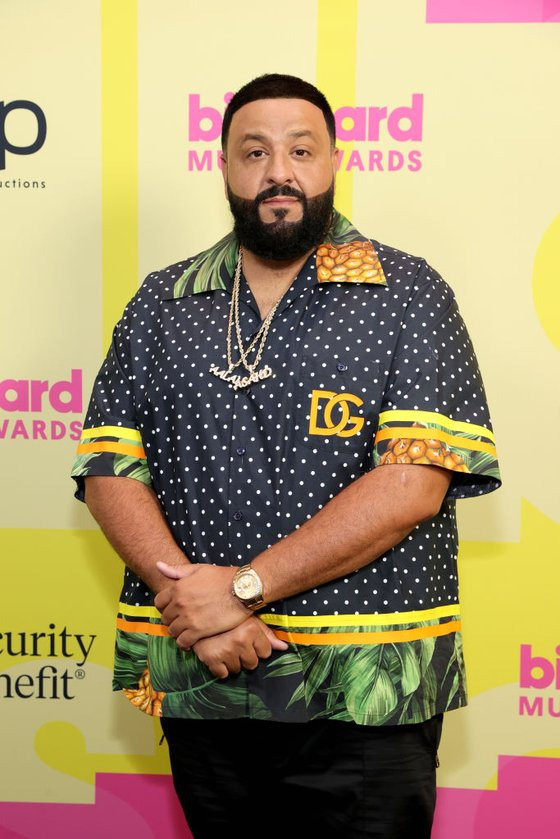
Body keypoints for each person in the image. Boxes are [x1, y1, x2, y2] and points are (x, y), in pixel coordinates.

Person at [72, 73, 501, 838]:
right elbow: (109, 470)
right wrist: (202, 617)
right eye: (255, 151)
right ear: (225, 167)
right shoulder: (162, 301)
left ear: (334, 160)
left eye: (301, 150)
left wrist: (237, 590)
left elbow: (411, 485)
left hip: (367, 696)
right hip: (204, 677)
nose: (280, 171)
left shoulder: (408, 293)